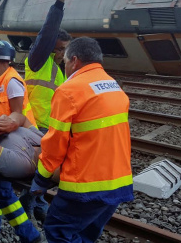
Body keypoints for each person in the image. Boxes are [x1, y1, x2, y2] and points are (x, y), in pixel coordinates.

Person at [30, 37, 134, 242]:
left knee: (57, 230)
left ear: (74, 61)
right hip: (118, 182)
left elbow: (54, 144)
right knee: (84, 235)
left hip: (86, 187)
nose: (65, 66)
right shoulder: (113, 86)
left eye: (65, 62)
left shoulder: (69, 90)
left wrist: (41, 179)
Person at [0, 40, 41, 243]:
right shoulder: (0, 79)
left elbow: (17, 115)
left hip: (15, 144)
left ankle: (29, 234)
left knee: (0, 190)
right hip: (1, 139)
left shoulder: (11, 81)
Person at [21, 0, 74, 224]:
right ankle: (33, 202)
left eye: (65, 49)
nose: (62, 53)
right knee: (41, 168)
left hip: (52, 127)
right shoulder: (38, 59)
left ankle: (34, 200)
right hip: (36, 124)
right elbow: (47, 31)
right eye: (60, 48)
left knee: (44, 169)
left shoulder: (59, 68)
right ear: (50, 45)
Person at [0, 112, 43, 179]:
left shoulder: (21, 165)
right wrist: (13, 122)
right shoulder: (43, 140)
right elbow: (21, 117)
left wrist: (0, 125)